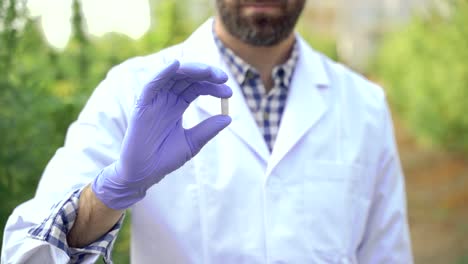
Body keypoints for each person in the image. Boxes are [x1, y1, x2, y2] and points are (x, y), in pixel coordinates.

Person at [2, 0, 413, 263]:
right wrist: (109, 193)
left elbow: (387, 253)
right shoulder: (131, 90)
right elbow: (27, 253)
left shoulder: (365, 106)